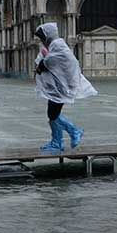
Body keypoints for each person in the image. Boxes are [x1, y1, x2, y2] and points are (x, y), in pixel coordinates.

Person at [34, 23, 97, 152]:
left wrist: (43, 62)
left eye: (42, 37)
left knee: (52, 114)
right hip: (57, 87)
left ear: (48, 35)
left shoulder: (58, 46)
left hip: (62, 87)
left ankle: (73, 132)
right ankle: (57, 142)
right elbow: (46, 62)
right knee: (52, 114)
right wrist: (43, 61)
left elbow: (50, 62)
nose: (41, 41)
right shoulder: (54, 46)